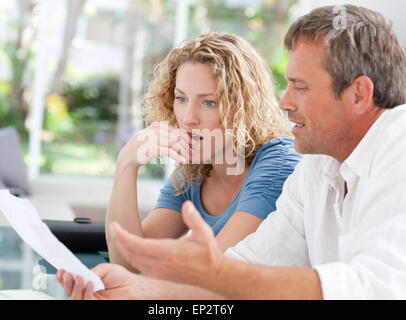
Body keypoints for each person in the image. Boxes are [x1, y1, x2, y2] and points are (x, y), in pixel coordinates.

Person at [58, 4, 406, 299]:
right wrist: (140, 291)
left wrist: (199, 276)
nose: (284, 103)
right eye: (181, 98)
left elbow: (375, 285)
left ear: (359, 94)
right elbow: (245, 266)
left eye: (299, 87)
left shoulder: (398, 144)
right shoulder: (315, 169)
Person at [103, 31, 301, 269]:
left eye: (209, 102)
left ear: (243, 109)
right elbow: (129, 262)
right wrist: (126, 163)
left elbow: (213, 272)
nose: (188, 119)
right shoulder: (194, 173)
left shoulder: (278, 163)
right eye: (181, 98)